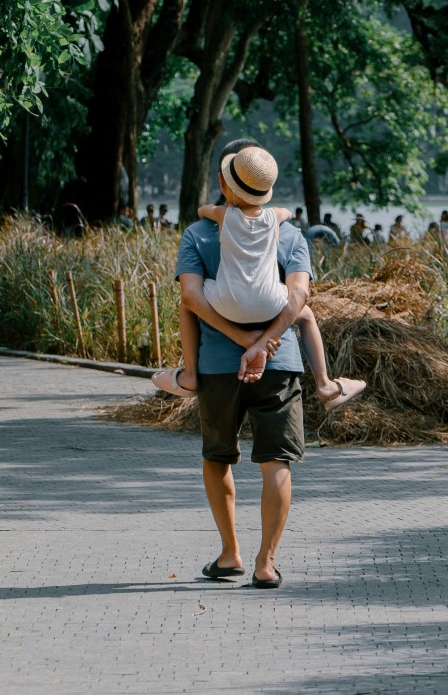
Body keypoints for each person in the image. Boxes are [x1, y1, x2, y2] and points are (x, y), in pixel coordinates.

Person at [153, 141, 366, 588]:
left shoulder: (199, 234)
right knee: (277, 463)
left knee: (217, 458)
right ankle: (265, 563)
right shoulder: (289, 235)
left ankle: (229, 553)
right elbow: (298, 299)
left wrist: (241, 342)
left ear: (222, 183)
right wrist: (263, 344)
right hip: (280, 362)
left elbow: (190, 298)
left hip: (214, 368)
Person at [154, 145, 364, 412]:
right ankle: (324, 384)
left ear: (223, 183)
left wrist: (246, 339)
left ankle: (190, 376)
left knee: (188, 302)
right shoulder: (276, 220)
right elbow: (287, 219)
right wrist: (265, 342)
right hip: (271, 303)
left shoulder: (222, 218)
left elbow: (202, 210)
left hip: (225, 303)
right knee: (306, 313)